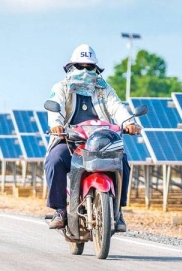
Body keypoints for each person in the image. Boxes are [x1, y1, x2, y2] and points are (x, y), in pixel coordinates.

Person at [44, 44, 141, 232]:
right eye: (80, 66)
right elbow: (55, 105)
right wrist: (56, 124)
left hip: (101, 142)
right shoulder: (62, 87)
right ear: (71, 67)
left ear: (96, 69)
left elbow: (117, 108)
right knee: (55, 160)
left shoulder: (104, 89)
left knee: (123, 161)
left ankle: (118, 211)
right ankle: (60, 210)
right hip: (71, 141)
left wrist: (129, 122)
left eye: (89, 67)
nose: (85, 71)